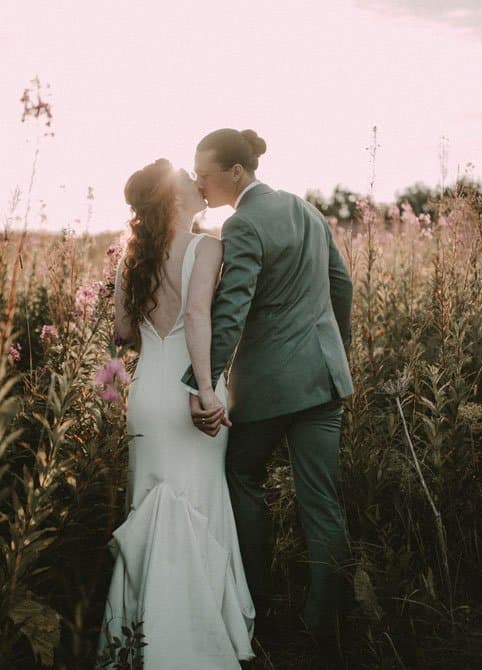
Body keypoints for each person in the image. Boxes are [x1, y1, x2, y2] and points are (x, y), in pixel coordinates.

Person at [181, 129, 354, 647]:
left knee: (242, 475)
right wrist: (334, 351)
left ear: (236, 173)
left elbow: (230, 312)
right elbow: (341, 283)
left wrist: (204, 382)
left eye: (205, 176)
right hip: (323, 382)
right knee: (321, 501)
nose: (199, 183)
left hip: (269, 389)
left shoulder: (243, 224)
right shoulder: (305, 210)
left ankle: (257, 601)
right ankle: (331, 626)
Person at [96, 159, 254, 668]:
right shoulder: (208, 247)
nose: (194, 179)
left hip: (147, 395)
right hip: (193, 386)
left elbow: (122, 332)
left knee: (149, 500)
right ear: (172, 198)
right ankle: (196, 632)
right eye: (186, 178)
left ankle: (136, 633)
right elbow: (197, 316)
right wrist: (205, 389)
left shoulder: (133, 257)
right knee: (201, 499)